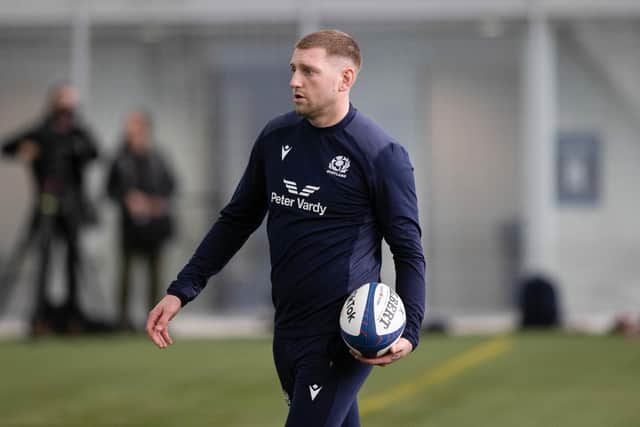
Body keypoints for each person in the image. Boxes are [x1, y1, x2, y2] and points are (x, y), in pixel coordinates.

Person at [146, 30, 426, 426]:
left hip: (340, 338)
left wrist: (410, 331)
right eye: (293, 69)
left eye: (308, 71)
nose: (294, 81)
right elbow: (237, 219)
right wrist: (182, 290)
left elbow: (408, 250)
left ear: (345, 80)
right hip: (288, 327)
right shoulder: (276, 137)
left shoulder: (381, 154)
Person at [1, 84, 99, 335]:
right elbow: (8, 146)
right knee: (43, 262)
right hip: (45, 203)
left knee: (72, 263)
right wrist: (27, 151)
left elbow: (95, 152)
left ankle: (73, 319)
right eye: (65, 101)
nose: (69, 108)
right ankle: (39, 318)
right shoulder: (42, 132)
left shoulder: (78, 133)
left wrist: (77, 151)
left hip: (72, 206)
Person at [107, 111, 176, 331]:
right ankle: (123, 321)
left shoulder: (158, 158)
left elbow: (171, 185)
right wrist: (128, 199)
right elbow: (109, 190)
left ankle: (156, 320)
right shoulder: (119, 160)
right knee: (126, 274)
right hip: (130, 228)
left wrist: (156, 203)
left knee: (155, 275)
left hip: (155, 228)